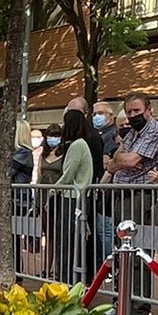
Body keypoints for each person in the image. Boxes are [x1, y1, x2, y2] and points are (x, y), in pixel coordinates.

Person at [99, 92, 158, 315]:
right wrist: (122, 159)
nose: (132, 116)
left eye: (136, 111)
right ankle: (122, 300)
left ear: (148, 109)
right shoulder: (131, 133)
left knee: (137, 250)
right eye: (129, 112)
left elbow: (128, 161)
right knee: (121, 251)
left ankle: (139, 308)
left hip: (141, 195)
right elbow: (113, 163)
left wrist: (122, 160)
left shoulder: (155, 130)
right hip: (123, 193)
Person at [53, 107, 98, 282]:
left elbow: (68, 174)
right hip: (77, 197)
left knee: (67, 242)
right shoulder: (81, 144)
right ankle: (68, 278)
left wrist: (51, 190)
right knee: (71, 242)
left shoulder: (77, 145)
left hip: (72, 199)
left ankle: (67, 280)